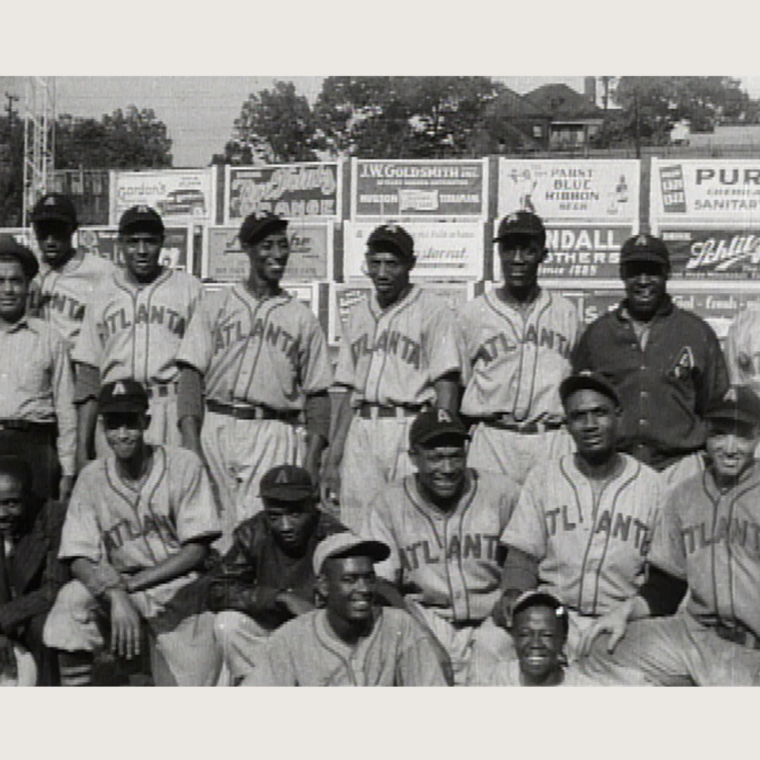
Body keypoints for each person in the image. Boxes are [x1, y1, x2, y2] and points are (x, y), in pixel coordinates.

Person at [42, 379, 222, 686]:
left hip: (180, 591)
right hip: (117, 588)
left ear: (146, 421)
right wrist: (114, 593)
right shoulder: (91, 478)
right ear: (102, 428)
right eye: (113, 425)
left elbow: (196, 551)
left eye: (130, 424)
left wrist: (130, 586)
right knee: (71, 600)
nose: (122, 434)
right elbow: (77, 557)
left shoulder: (184, 464)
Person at [577, 385, 760, 686]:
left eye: (741, 435)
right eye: (719, 433)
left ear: (757, 436)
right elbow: (666, 586)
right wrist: (624, 612)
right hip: (693, 637)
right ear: (705, 433)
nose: (729, 447)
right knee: (598, 650)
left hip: (751, 651)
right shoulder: (684, 495)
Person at [176, 211, 333, 549]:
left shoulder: (301, 317)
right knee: (213, 527)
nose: (277, 254)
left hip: (272, 430)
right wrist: (191, 444)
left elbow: (319, 394)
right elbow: (190, 377)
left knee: (264, 529)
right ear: (247, 249)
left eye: (282, 245)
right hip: (216, 423)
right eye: (267, 246)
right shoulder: (214, 305)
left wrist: (312, 460)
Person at [487, 371, 661, 668]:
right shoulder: (544, 477)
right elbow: (522, 555)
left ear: (618, 416)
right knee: (489, 645)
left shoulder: (652, 485)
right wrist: (514, 592)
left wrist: (630, 613)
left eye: (600, 413)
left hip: (619, 619)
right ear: (567, 425)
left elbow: (663, 578)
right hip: (553, 614)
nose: (590, 425)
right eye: (579, 416)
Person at [360, 408, 518, 684]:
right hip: (426, 618)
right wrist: (421, 635)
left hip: (492, 621)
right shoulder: (388, 503)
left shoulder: (502, 493)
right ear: (413, 458)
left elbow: (527, 558)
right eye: (435, 458)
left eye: (455, 456)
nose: (447, 469)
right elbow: (381, 583)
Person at [323, 223, 462, 531]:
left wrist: (439, 445)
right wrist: (334, 457)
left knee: (411, 524)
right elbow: (347, 392)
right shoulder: (358, 313)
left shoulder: (433, 310)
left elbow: (446, 387)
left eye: (392, 263)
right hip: (362, 428)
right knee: (358, 524)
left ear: (410, 265)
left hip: (410, 425)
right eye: (376, 263)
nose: (383, 272)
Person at [572, 233, 729, 474]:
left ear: (667, 273)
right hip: (617, 465)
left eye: (652, 271)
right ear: (623, 275)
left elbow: (717, 406)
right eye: (635, 271)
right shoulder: (598, 334)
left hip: (680, 465)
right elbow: (578, 405)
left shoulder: (696, 331)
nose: (643, 280)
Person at [72, 205, 204, 468]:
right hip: (114, 411)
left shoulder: (189, 289)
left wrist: (191, 440)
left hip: (167, 407)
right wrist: (82, 445)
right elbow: (89, 373)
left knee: (168, 499)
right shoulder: (102, 291)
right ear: (120, 244)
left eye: (150, 242)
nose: (141, 251)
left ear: (162, 243)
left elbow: (192, 371)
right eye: (133, 242)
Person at [458, 211, 579, 487]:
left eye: (528, 249)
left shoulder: (565, 312)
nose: (518, 258)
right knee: (487, 524)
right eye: (509, 248)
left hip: (550, 438)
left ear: (543, 254)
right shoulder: (473, 313)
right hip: (492, 437)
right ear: (498, 253)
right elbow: (457, 388)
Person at [242, 532, 449, 686]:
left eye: (369, 578)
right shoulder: (290, 639)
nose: (364, 589)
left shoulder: (399, 626)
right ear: (323, 586)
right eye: (350, 580)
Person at [209, 463, 347, 682]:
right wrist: (279, 598)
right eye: (274, 516)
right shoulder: (252, 532)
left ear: (312, 505)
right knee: (228, 623)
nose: (285, 526)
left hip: (319, 634)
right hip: (271, 628)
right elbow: (219, 588)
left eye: (294, 514)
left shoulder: (334, 536)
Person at [0, 236, 76, 502]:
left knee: (38, 533)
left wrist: (68, 470)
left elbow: (66, 407)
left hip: (35, 446)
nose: (8, 290)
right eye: (0, 281)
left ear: (27, 286)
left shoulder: (49, 337)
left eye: (15, 281)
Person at [0, 455, 70, 686]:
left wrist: (4, 618)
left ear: (29, 497)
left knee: (41, 628)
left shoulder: (53, 517)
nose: (2, 514)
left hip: (38, 611)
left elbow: (53, 588)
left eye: (12, 503)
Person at [29, 192, 117, 353]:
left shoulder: (102, 271)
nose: (50, 240)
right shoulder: (26, 268)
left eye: (58, 230)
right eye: (43, 231)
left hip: (76, 366)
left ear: (73, 229)